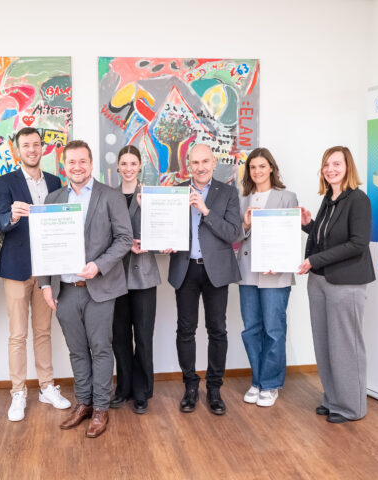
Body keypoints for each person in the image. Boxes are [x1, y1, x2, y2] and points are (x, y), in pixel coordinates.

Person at [40, 140, 132, 438]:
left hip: (100, 288)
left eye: (83, 161)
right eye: (72, 162)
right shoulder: (53, 198)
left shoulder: (110, 196)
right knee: (77, 351)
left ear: (91, 164)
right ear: (64, 166)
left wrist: (98, 265)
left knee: (101, 349)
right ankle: (84, 403)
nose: (77, 167)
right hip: (65, 290)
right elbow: (43, 243)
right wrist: (45, 284)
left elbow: (124, 239)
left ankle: (101, 408)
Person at [0, 127, 70, 422]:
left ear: (43, 148)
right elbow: (0, 222)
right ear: (17, 150)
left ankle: (47, 387)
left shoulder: (54, 181)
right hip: (17, 268)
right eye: (26, 145)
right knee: (17, 334)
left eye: (36, 144)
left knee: (43, 331)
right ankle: (18, 392)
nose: (32, 149)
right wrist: (12, 215)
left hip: (47, 269)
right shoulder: (5, 182)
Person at [298, 146, 375, 424]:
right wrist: (309, 225)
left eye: (337, 164)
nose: (331, 169)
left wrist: (313, 260)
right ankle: (332, 400)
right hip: (319, 280)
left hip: (346, 283)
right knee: (324, 345)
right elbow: (327, 238)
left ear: (348, 167)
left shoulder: (358, 200)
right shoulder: (329, 199)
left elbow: (357, 244)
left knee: (346, 347)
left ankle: (352, 407)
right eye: (327, 164)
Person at [167, 143, 241, 415]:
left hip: (216, 271)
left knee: (217, 330)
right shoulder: (176, 192)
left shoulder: (228, 192)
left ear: (213, 163)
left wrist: (206, 210)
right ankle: (190, 387)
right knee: (185, 330)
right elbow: (166, 229)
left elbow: (234, 233)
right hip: (185, 269)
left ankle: (214, 389)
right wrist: (163, 241)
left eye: (205, 162)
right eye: (195, 162)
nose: (200, 167)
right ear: (188, 165)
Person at [236, 148, 298, 408]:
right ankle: (257, 381)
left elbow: (291, 237)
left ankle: (271, 384)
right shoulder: (242, 199)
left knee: (273, 329)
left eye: (262, 166)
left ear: (271, 168)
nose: (257, 171)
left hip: (276, 274)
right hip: (248, 272)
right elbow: (235, 237)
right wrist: (246, 225)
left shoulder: (287, 197)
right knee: (251, 329)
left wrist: (281, 262)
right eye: (253, 167)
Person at [109, 145, 160, 414]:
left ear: (140, 166)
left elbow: (165, 233)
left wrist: (147, 211)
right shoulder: (108, 196)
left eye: (133, 163)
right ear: (118, 167)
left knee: (143, 335)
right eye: (124, 163)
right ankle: (123, 388)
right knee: (119, 337)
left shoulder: (152, 195)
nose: (128, 168)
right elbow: (101, 235)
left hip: (144, 275)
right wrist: (125, 245)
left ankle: (142, 391)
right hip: (115, 276)